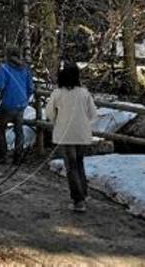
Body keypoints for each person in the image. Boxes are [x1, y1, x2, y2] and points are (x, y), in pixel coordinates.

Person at [45, 64, 98, 213]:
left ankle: (78, 200)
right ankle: (83, 193)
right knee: (79, 164)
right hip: (82, 135)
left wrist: (57, 121)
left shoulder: (57, 93)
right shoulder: (84, 93)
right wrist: (85, 124)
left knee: (71, 167)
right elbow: (94, 114)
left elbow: (49, 113)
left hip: (65, 134)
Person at [0, 46, 34, 164]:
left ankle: (3, 155)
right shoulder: (25, 68)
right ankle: (18, 157)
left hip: (8, 103)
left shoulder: (5, 67)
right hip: (21, 104)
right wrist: (25, 97)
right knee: (19, 130)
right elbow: (31, 87)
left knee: (0, 129)